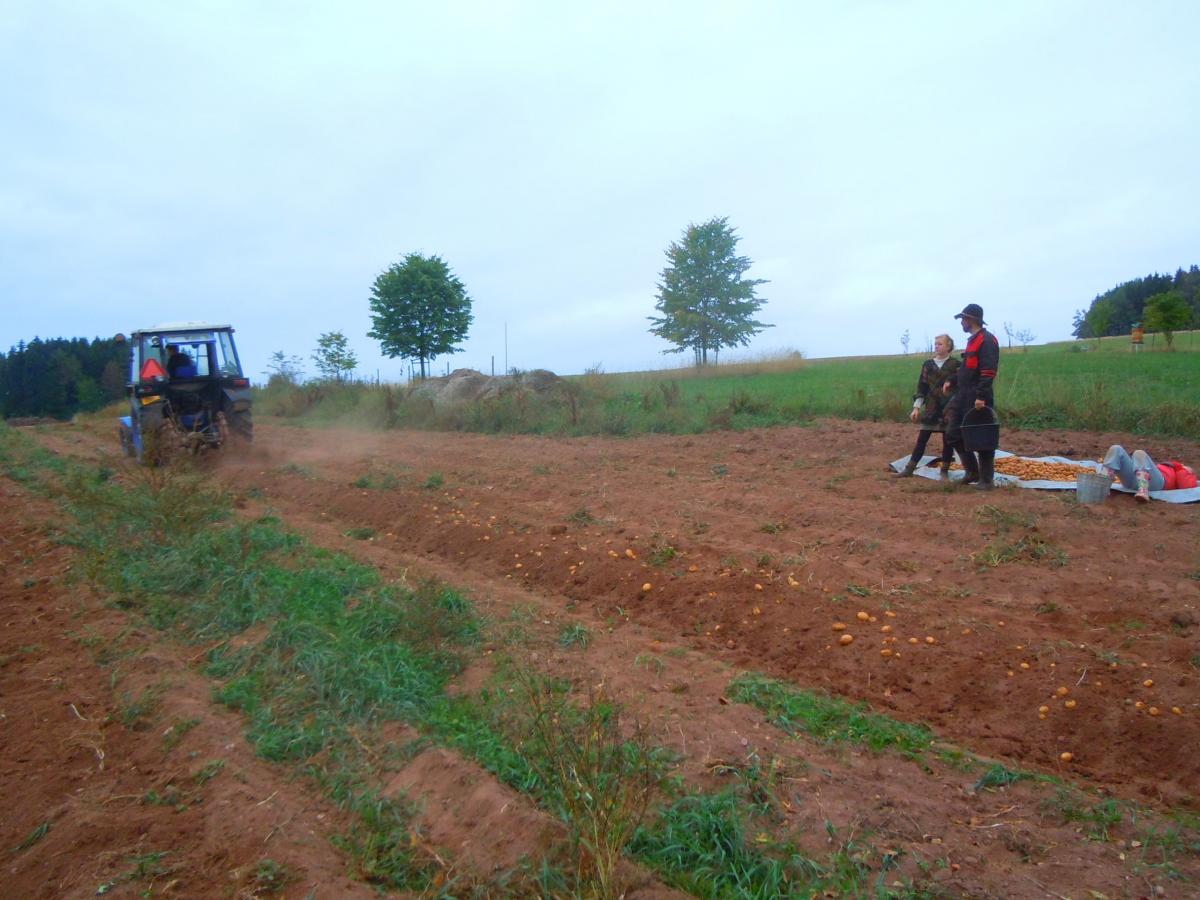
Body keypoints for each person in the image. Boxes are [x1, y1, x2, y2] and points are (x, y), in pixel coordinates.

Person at [945, 303, 1000, 490]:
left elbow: (988, 371)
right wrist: (952, 380)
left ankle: (986, 480)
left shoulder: (987, 340)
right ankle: (972, 471)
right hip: (963, 394)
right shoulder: (972, 341)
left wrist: (981, 396)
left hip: (977, 395)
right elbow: (966, 367)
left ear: (971, 320)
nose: (961, 323)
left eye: (963, 319)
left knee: (982, 436)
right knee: (953, 432)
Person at [897, 334, 959, 477]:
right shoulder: (928, 365)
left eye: (940, 344)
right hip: (931, 408)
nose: (937, 346)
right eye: (935, 344)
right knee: (922, 439)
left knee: (948, 442)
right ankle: (909, 469)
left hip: (948, 409)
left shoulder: (956, 365)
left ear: (949, 346)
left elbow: (960, 386)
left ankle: (944, 471)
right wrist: (916, 408)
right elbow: (922, 388)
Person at [1102, 446, 1197, 502]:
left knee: (1139, 453)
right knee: (1116, 448)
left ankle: (1143, 490)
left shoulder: (1182, 470)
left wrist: (1183, 469)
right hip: (1135, 479)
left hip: (1158, 484)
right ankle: (1102, 486)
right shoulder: (1167, 467)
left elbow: (1186, 486)